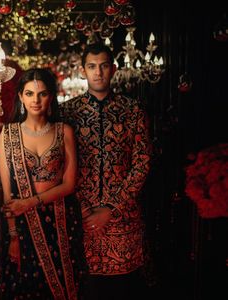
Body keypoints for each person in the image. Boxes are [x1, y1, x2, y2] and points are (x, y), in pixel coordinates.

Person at [60, 42, 152, 300]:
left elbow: (142, 162)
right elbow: (59, 166)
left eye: (103, 66)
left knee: (123, 289)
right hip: (81, 217)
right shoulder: (68, 112)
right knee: (85, 287)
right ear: (83, 71)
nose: (98, 72)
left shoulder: (132, 110)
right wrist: (84, 208)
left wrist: (111, 208)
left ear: (113, 70)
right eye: (92, 66)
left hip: (122, 220)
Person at [0, 68, 84, 299]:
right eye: (29, 93)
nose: (36, 100)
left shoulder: (64, 132)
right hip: (22, 226)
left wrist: (30, 202)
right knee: (24, 288)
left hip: (61, 221)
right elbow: (7, 196)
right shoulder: (8, 134)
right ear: (21, 97)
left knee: (64, 287)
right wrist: (13, 235)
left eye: (42, 94)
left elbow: (69, 184)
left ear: (51, 97)